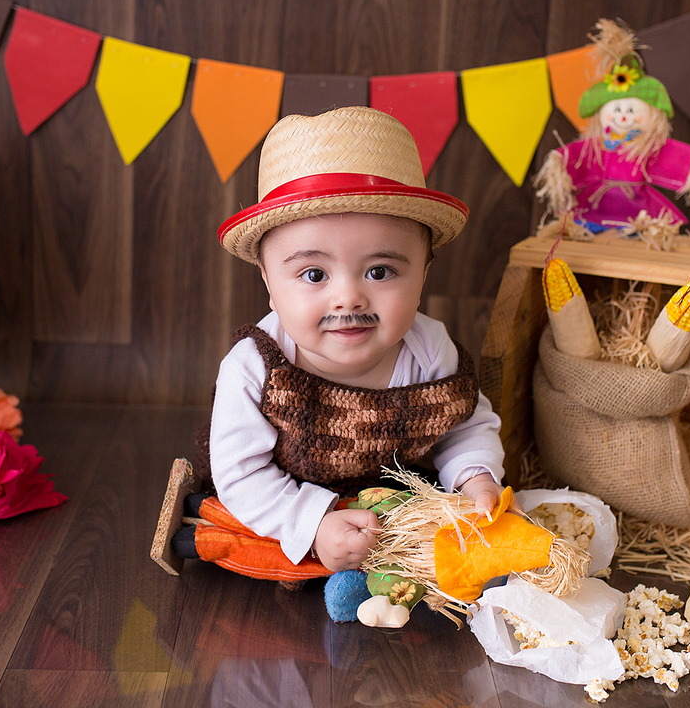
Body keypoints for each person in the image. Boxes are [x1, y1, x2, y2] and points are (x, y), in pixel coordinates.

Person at [176, 106, 505, 587]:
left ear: (423, 275)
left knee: (456, 560)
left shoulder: (430, 350)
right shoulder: (257, 367)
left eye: (381, 271)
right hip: (287, 502)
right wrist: (310, 524)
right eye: (313, 275)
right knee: (244, 539)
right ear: (269, 282)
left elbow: (464, 425)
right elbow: (243, 477)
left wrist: (475, 476)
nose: (348, 296)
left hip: (392, 509)